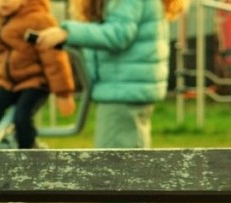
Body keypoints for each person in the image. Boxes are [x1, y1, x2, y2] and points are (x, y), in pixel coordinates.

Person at [36, 0, 187, 148]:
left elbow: (118, 33)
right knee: (130, 160)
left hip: (123, 89)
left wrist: (68, 32)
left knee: (115, 164)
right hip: (128, 87)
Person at [0, 0, 77, 149]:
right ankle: (0, 149)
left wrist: (63, 93)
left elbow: (54, 58)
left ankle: (29, 151)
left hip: (34, 82)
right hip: (7, 83)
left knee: (22, 116)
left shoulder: (38, 19)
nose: (4, 2)